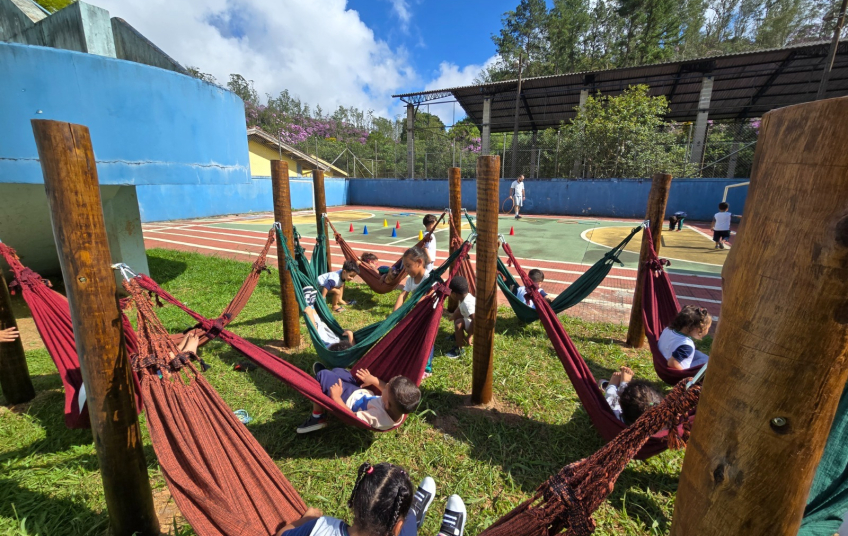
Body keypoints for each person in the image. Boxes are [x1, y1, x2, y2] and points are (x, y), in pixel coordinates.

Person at [278, 462, 467, 536]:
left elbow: (281, 535)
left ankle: (413, 512)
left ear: (355, 502)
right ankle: (413, 514)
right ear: (397, 527)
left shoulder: (320, 527)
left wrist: (307, 519)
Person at [296, 365, 421, 433]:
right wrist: (373, 380)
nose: (384, 386)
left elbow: (353, 417)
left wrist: (336, 398)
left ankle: (317, 417)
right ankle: (330, 374)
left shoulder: (377, 417)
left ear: (387, 404)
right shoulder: (400, 406)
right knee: (339, 370)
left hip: (346, 399)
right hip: (360, 392)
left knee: (323, 375)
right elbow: (388, 390)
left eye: (386, 388)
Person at [393, 247, 435, 376]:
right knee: (414, 338)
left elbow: (433, 291)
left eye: (408, 266)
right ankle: (414, 361)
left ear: (419, 262)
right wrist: (395, 314)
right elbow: (402, 295)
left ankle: (427, 368)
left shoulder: (429, 277)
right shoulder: (411, 280)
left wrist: (419, 302)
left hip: (428, 314)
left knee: (426, 339)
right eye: (405, 266)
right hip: (416, 314)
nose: (406, 270)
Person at [658, 305, 712, 370]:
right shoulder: (686, 346)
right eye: (707, 328)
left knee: (702, 355)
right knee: (709, 362)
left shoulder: (668, 329)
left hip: (664, 357)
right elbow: (672, 363)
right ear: (697, 329)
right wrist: (685, 374)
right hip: (676, 371)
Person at [445, 276, 474, 359]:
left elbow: (475, 319)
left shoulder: (467, 303)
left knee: (458, 323)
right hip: (473, 321)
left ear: (454, 294)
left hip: (479, 326)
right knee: (457, 317)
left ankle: (460, 349)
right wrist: (453, 316)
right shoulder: (463, 297)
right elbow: (458, 309)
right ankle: (457, 336)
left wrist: (469, 336)